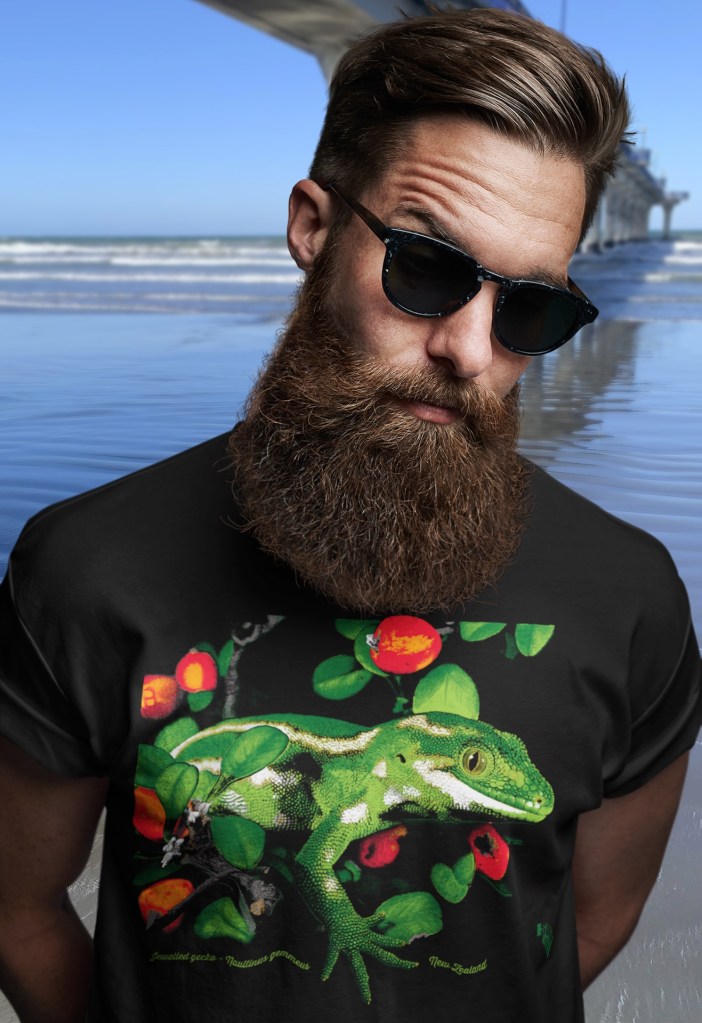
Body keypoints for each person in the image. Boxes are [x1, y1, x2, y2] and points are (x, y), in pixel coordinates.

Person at [0, 8, 699, 1023]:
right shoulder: (86, 563)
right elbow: (16, 906)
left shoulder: (630, 595)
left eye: (531, 310)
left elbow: (592, 919)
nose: (470, 350)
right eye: (426, 268)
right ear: (313, 227)